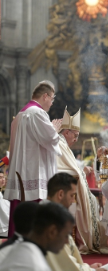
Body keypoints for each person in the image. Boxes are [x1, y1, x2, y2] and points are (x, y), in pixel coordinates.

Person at [4, 80, 62, 237]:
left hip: (22, 171)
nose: (51, 103)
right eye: (52, 98)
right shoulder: (37, 113)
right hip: (34, 171)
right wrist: (55, 129)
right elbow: (50, 139)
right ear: (45, 96)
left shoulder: (21, 114)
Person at [57, 107, 108, 254]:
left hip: (70, 187)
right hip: (64, 191)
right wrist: (81, 172)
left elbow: (71, 168)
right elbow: (61, 169)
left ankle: (92, 235)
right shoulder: (59, 144)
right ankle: (85, 238)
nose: (76, 139)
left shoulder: (63, 144)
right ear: (66, 132)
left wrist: (82, 171)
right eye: (75, 135)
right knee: (91, 200)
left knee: (92, 200)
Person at [42, 172, 106, 271]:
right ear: (60, 194)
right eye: (72, 196)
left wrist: (88, 267)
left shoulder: (44, 212)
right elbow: (67, 266)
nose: (73, 201)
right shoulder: (52, 223)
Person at [0, 202, 75, 271]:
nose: (67, 241)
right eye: (66, 235)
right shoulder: (33, 265)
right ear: (52, 231)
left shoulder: (23, 248)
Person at [0, 169, 10, 238]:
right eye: (0, 178)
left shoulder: (1, 193)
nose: (3, 179)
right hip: (3, 230)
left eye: (3, 177)